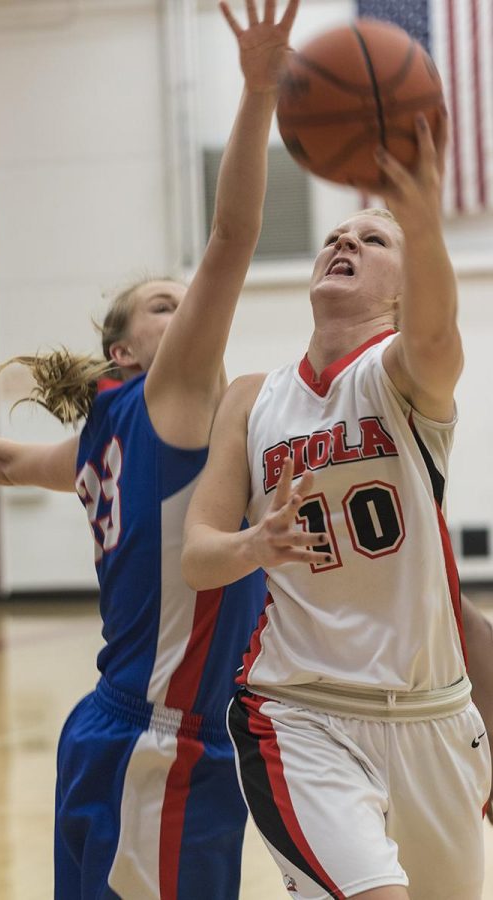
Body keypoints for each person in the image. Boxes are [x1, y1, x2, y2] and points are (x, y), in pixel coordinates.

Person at [0, 3, 303, 897]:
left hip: (107, 729)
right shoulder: (166, 401)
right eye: (165, 304)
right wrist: (258, 92)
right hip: (165, 741)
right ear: (126, 352)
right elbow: (232, 241)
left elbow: (5, 463)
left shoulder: (97, 442)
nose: (187, 307)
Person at [182, 109, 493, 898]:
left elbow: (439, 332)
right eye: (336, 237)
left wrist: (421, 215)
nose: (344, 243)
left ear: (401, 292)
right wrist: (256, 545)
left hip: (433, 717)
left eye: (372, 239)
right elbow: (198, 553)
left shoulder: (400, 375)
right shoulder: (254, 399)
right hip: (299, 711)